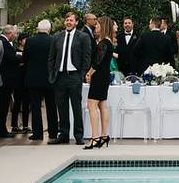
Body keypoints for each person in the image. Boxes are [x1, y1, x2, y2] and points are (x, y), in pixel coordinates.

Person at [47, 11, 92, 145]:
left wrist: (82, 75)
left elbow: (86, 57)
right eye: (67, 20)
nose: (68, 22)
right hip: (59, 77)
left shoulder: (83, 37)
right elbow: (51, 58)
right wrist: (51, 74)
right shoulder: (56, 37)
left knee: (76, 107)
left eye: (71, 20)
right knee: (62, 107)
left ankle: (79, 135)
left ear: (76, 23)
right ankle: (64, 135)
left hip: (74, 76)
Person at [24, 19, 58, 141]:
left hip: (33, 78)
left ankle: (37, 134)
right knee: (51, 106)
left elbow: (25, 58)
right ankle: (53, 132)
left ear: (38, 28)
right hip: (50, 78)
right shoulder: (53, 40)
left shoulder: (30, 41)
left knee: (35, 106)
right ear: (49, 29)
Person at [84, 17, 115, 149]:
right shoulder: (109, 42)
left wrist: (89, 73)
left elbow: (97, 62)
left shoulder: (103, 43)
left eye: (97, 25)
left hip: (99, 76)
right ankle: (104, 136)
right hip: (105, 76)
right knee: (103, 105)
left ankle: (95, 138)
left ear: (103, 26)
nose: (95, 27)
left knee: (91, 105)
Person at [0, 25, 20, 138]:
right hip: (5, 79)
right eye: (14, 34)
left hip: (3, 79)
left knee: (1, 105)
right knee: (2, 106)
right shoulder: (3, 43)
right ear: (9, 33)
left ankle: (0, 129)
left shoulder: (1, 42)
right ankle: (1, 130)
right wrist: (20, 57)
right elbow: (11, 58)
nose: (15, 36)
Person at [11, 32, 31, 134]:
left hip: (26, 80)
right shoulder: (15, 51)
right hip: (18, 81)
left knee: (26, 104)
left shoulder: (29, 51)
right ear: (20, 41)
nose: (26, 41)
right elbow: (16, 63)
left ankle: (26, 125)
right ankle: (14, 125)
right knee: (17, 104)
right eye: (24, 39)